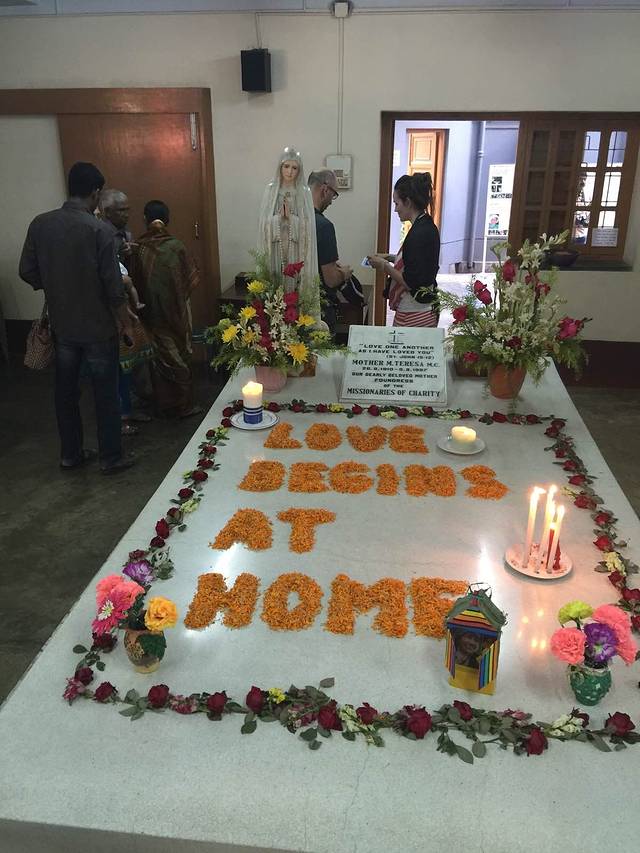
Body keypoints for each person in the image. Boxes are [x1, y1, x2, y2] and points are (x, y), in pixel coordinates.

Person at [19, 161, 134, 474]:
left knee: (66, 393)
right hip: (98, 328)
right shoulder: (99, 230)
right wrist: (125, 323)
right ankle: (111, 458)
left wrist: (54, 285)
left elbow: (26, 270)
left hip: (63, 327)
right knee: (105, 394)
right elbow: (113, 288)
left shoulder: (40, 224)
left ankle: (70, 455)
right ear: (95, 192)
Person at [130, 200, 201, 418]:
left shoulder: (139, 248)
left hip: (151, 313)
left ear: (145, 219)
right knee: (179, 352)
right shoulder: (177, 246)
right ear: (167, 219)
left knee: (160, 355)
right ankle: (184, 404)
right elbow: (190, 279)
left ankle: (164, 403)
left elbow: (134, 281)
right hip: (176, 311)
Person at [99, 189, 154, 433]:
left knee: (131, 361)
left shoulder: (126, 233)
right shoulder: (100, 234)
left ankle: (130, 407)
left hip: (127, 301)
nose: (126, 214)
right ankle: (120, 415)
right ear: (107, 212)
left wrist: (128, 255)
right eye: (121, 210)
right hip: (111, 307)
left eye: (128, 209)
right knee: (117, 363)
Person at [257, 146, 321, 323]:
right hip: (275, 249)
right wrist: (278, 219)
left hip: (295, 249)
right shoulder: (271, 190)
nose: (290, 171)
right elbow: (263, 224)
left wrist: (292, 219)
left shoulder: (304, 193)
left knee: (294, 286)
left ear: (299, 171)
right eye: (286, 166)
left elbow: (308, 227)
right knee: (275, 283)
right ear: (280, 167)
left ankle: (296, 324)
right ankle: (274, 324)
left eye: (294, 168)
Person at [368, 172, 440, 327]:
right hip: (424, 307)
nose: (395, 210)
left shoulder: (419, 233)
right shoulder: (425, 225)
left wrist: (384, 266)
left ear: (408, 202)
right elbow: (417, 261)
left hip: (415, 311)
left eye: (397, 204)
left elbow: (410, 282)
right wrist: (390, 257)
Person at [307, 169, 353, 334]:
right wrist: (345, 273)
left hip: (293, 307)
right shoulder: (323, 226)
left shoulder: (292, 219)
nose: (332, 202)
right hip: (319, 309)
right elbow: (331, 279)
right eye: (334, 195)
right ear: (324, 190)